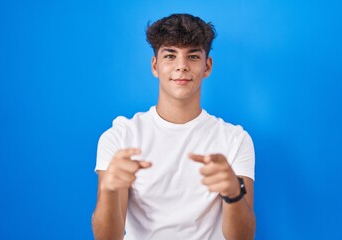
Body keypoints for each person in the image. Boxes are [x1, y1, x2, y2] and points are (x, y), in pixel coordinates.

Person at [92, 13, 256, 240]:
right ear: (155, 66)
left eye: (193, 57)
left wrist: (234, 193)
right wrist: (109, 191)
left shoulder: (235, 139)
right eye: (170, 56)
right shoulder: (119, 138)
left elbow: (244, 237)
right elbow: (107, 237)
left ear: (207, 66)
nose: (181, 66)